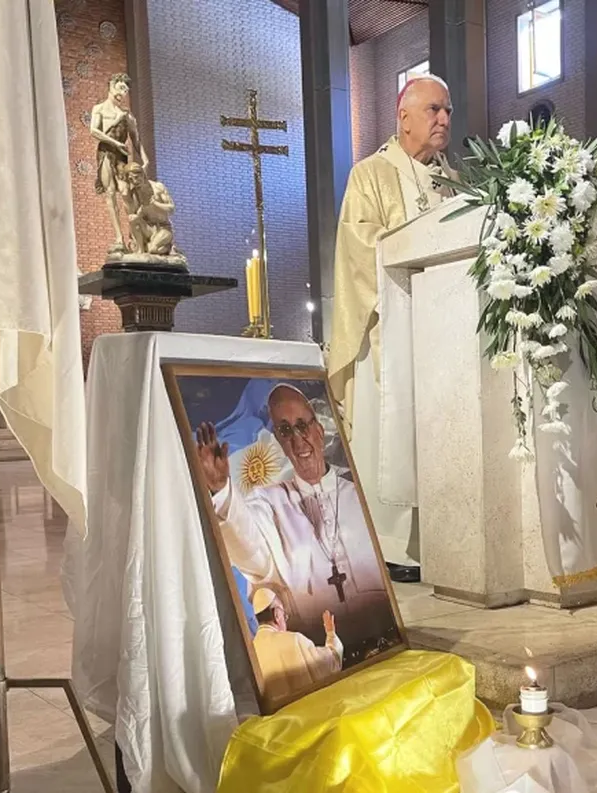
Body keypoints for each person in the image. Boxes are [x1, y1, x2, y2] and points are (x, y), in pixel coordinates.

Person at [326, 75, 456, 583]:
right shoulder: (370, 175)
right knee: (391, 435)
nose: (443, 119)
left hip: (441, 335)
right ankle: (390, 545)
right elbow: (360, 247)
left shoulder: (454, 181)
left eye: (447, 111)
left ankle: (441, 537)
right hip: (388, 331)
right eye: (432, 110)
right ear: (402, 116)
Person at [195, 384, 394, 652]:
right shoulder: (268, 502)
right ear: (277, 439)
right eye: (285, 430)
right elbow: (250, 552)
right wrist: (220, 490)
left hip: (382, 643)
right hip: (313, 659)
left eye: (302, 425)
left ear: (320, 432)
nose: (298, 440)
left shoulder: (358, 495)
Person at [250, 588, 343, 702]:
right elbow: (330, 664)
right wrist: (331, 635)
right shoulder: (294, 640)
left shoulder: (251, 653)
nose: (285, 621)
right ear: (277, 615)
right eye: (284, 615)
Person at [89, 73, 147, 254]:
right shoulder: (99, 109)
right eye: (121, 88)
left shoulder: (127, 115)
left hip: (121, 156)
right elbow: (94, 131)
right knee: (110, 193)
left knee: (125, 191)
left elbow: (135, 139)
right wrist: (115, 143)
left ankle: (136, 237)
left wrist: (145, 158)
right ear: (112, 86)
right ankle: (118, 238)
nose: (123, 93)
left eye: (126, 90)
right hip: (107, 152)